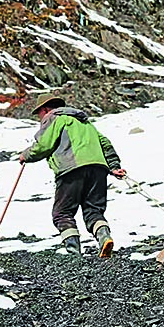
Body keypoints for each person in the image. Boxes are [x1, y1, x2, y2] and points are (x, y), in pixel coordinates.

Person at [19, 93, 126, 257]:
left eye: (39, 113)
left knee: (62, 212)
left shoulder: (54, 118)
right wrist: (114, 167)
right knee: (94, 210)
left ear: (46, 109)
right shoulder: (85, 122)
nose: (39, 118)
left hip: (72, 168)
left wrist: (26, 155)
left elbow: (44, 145)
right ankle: (104, 238)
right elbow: (105, 143)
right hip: (98, 168)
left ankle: (73, 252)